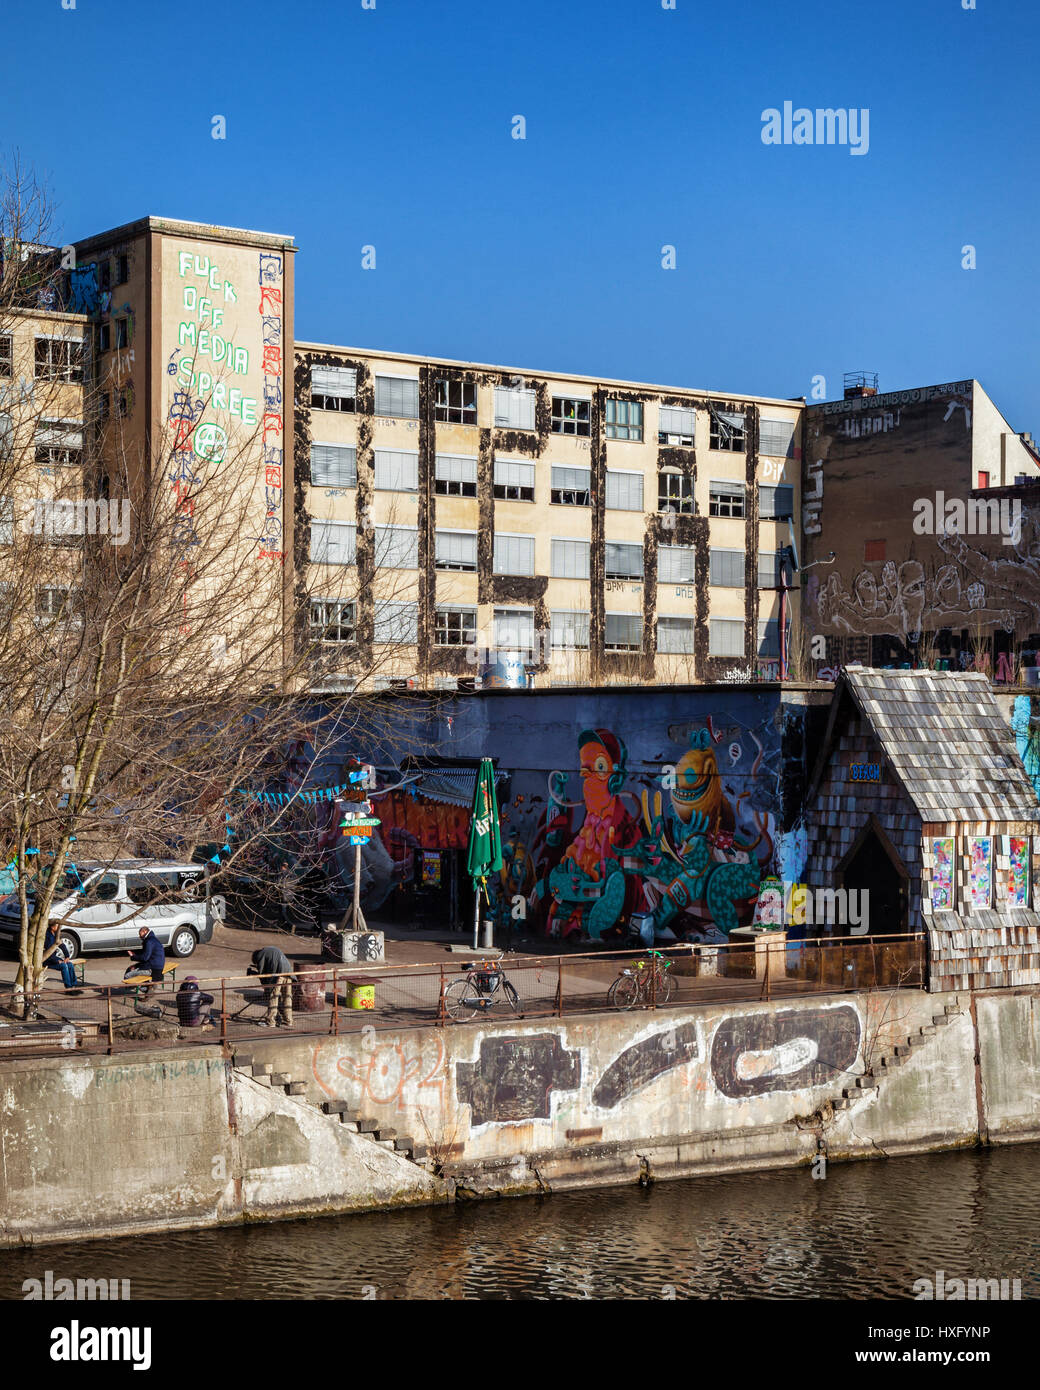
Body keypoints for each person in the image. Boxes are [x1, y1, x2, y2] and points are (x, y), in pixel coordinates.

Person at [247, 945, 294, 1028]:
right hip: (289, 972)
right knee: (287, 997)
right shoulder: (269, 951)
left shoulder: (261, 955)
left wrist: (264, 985)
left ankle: (270, 1022)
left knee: (273, 998)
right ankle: (288, 1020)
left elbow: (262, 974)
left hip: (279, 974)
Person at [126, 925, 166, 999]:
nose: (139, 936)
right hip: (157, 968)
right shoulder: (153, 939)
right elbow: (147, 956)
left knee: (128, 975)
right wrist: (136, 962)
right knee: (131, 968)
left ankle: (148, 989)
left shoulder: (149, 941)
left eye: (140, 934)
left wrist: (133, 956)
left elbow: (145, 957)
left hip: (152, 969)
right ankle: (148, 986)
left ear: (144, 931)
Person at [42, 924, 80, 994]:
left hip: (53, 959)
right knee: (64, 966)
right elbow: (48, 953)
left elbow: (62, 945)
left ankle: (74, 986)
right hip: (47, 960)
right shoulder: (48, 937)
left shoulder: (55, 935)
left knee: (70, 964)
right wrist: (57, 961)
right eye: (57, 926)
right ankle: (68, 988)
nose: (59, 927)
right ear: (52, 927)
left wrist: (67, 956)